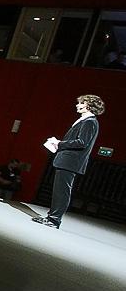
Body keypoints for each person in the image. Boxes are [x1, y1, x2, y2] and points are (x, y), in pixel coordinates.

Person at [33, 95, 105, 228]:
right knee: (60, 191)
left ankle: (54, 219)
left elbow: (82, 142)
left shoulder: (89, 122)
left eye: (81, 103)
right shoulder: (86, 121)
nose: (78, 105)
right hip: (68, 161)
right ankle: (52, 217)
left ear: (89, 106)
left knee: (62, 191)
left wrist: (59, 143)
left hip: (70, 162)